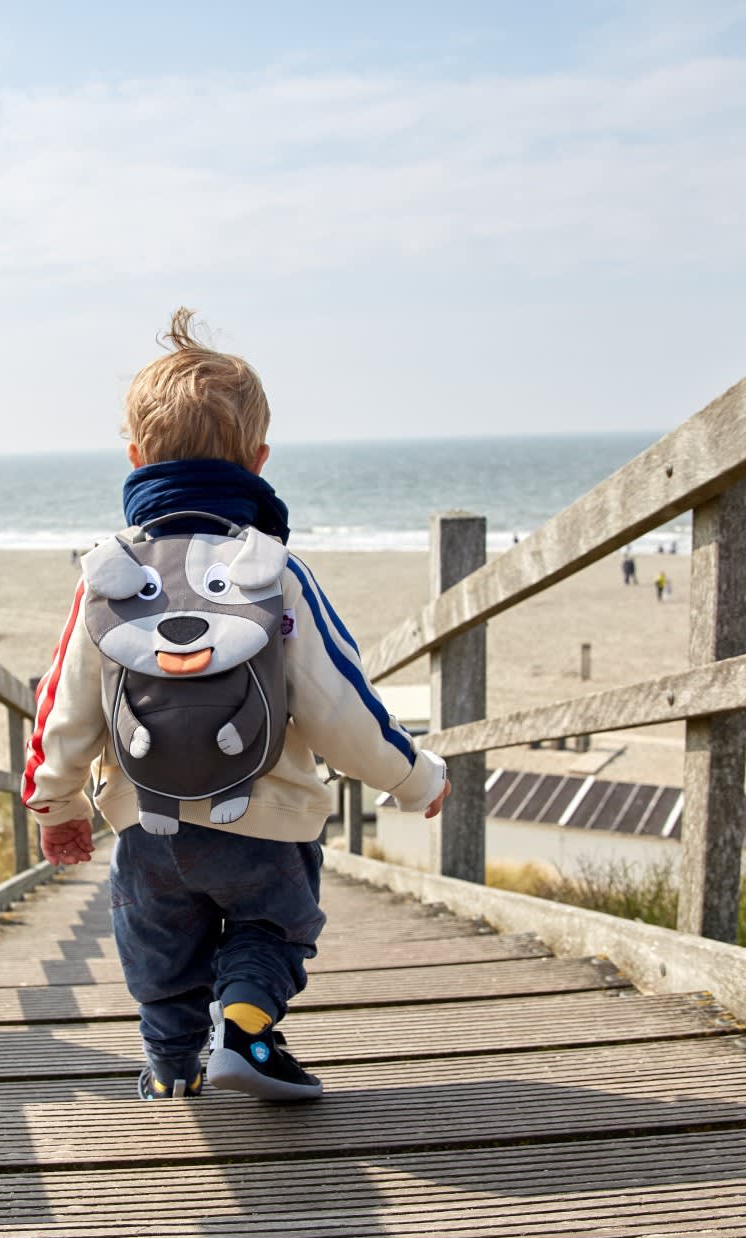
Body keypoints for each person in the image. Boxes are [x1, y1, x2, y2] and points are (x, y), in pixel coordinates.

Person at [22, 308, 450, 1104]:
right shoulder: (274, 572)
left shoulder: (108, 576)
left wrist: (56, 805)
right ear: (257, 461)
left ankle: (170, 1066)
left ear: (135, 457)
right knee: (270, 930)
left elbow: (65, 709)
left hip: (146, 825)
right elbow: (339, 705)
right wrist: (416, 778)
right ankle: (247, 1032)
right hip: (267, 823)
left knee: (160, 955)